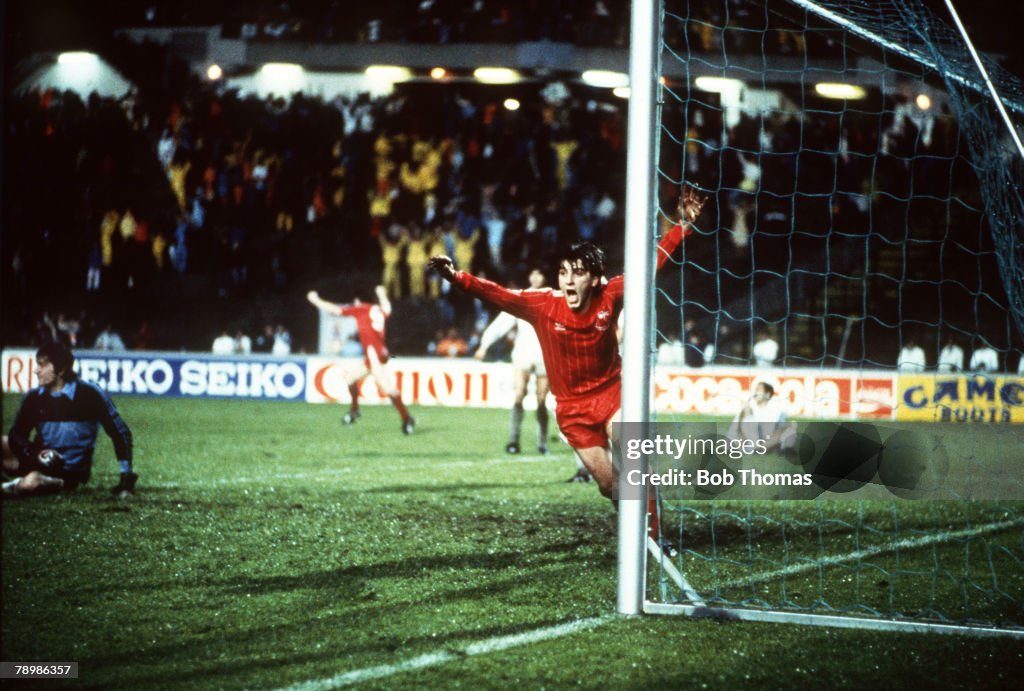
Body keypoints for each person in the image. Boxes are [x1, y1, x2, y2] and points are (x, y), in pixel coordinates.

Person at [430, 188, 706, 548]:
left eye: (577, 274)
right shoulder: (543, 305)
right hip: (572, 410)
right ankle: (636, 517)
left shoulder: (612, 295)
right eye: (563, 274)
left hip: (612, 395)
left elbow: (652, 264)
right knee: (610, 485)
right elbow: (499, 294)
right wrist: (457, 277)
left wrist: (682, 225)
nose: (568, 281)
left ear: (594, 279)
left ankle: (653, 538)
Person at [2, 342, 136, 497]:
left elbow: (120, 432)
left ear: (60, 369)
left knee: (31, 483)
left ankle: (21, 485)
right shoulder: (33, 397)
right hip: (39, 460)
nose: (36, 370)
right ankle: (13, 483)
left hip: (70, 471)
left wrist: (126, 476)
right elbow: (16, 435)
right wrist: (36, 453)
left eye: (42, 365)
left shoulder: (89, 394)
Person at [307, 285, 415, 434]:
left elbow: (335, 310)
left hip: (375, 357)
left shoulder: (361, 309)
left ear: (358, 301)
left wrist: (315, 300)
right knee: (350, 378)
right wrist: (382, 294)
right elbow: (388, 308)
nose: (354, 304)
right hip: (375, 355)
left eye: (355, 301)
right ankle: (355, 410)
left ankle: (406, 418)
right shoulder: (377, 310)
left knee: (388, 389)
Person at [474, 268, 552, 455]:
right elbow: (502, 323)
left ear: (545, 277)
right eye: (532, 273)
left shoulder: (552, 298)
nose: (535, 277)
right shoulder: (521, 297)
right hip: (523, 353)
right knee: (519, 395)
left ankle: (542, 442)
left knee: (542, 400)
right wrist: (484, 345)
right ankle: (513, 440)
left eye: (539, 274)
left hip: (544, 354)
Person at [726, 381, 796, 454]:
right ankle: (759, 449)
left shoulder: (776, 411)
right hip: (750, 443)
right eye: (755, 389)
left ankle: (787, 450)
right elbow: (738, 430)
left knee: (790, 428)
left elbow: (777, 430)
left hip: (766, 441)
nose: (755, 392)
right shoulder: (749, 408)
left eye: (759, 389)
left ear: (768, 395)